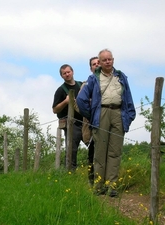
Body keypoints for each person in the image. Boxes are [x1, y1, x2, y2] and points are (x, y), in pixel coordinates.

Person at [76, 49, 136, 197]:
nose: (107, 62)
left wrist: (129, 116)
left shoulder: (121, 77)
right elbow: (80, 100)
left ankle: (112, 186)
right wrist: (91, 114)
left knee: (115, 152)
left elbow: (128, 98)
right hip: (101, 113)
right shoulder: (93, 79)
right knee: (100, 151)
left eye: (110, 59)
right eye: (104, 60)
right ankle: (99, 185)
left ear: (113, 60)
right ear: (100, 62)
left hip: (118, 113)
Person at [52, 64, 83, 170]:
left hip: (86, 121)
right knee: (72, 149)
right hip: (71, 124)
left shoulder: (81, 85)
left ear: (73, 72)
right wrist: (66, 101)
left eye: (68, 72)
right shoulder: (60, 90)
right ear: (62, 76)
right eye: (64, 73)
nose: (67, 74)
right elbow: (55, 109)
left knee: (94, 145)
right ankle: (70, 172)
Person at [85, 56, 99, 185]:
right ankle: (92, 180)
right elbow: (78, 105)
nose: (97, 65)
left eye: (98, 63)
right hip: (91, 123)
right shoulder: (87, 84)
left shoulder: (113, 81)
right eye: (94, 64)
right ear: (91, 68)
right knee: (92, 152)